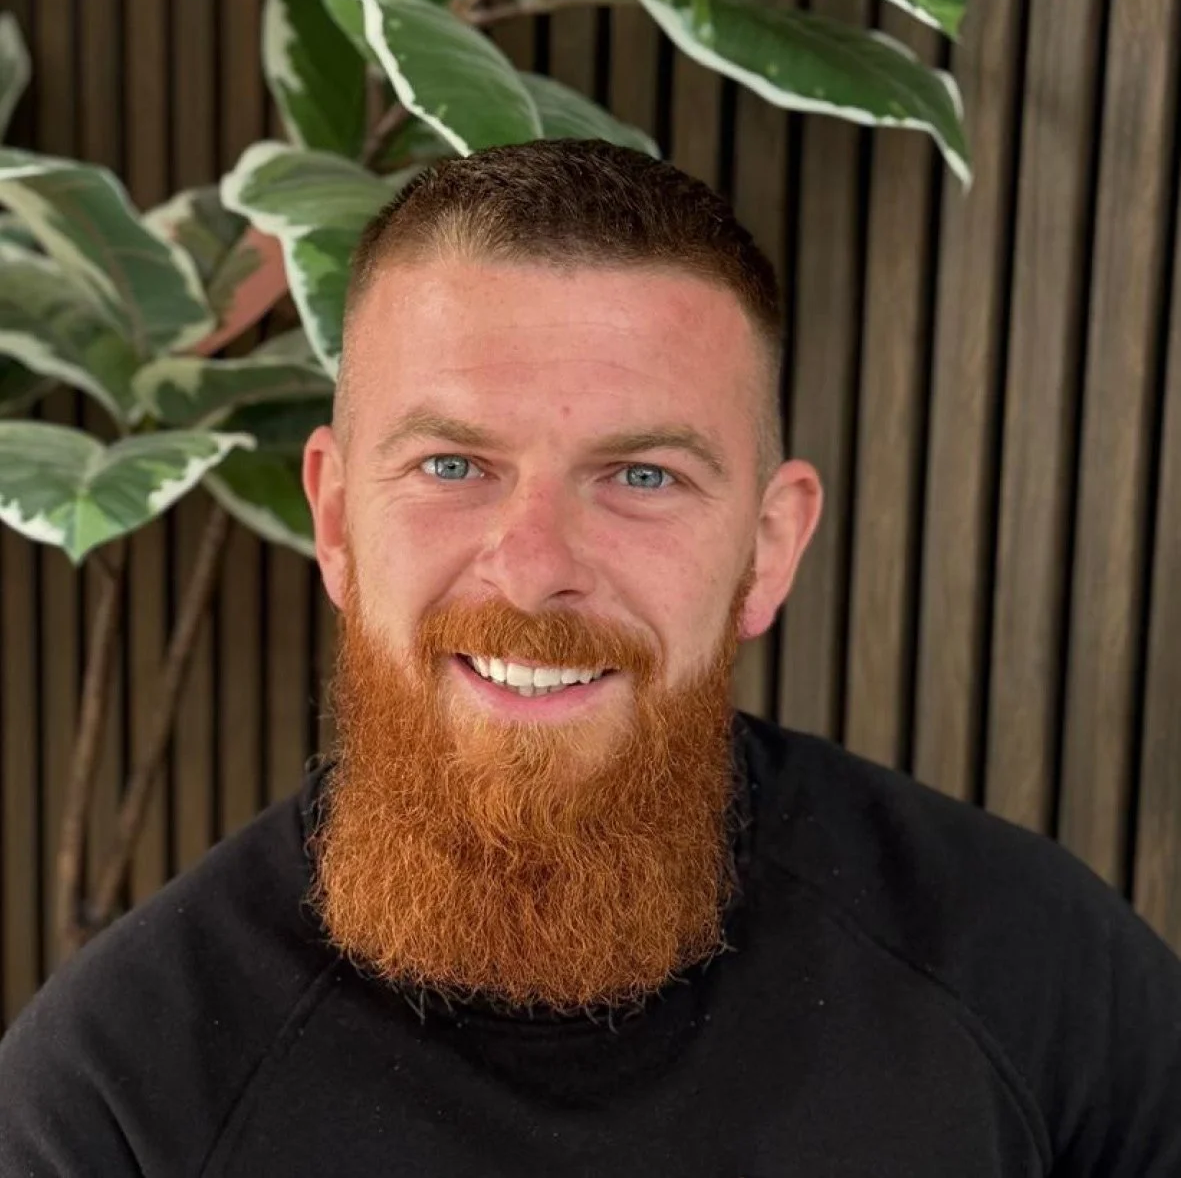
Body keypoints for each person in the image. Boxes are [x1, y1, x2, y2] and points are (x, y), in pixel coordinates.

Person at [1, 139, 1178, 1177]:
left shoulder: (1034, 973)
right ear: (338, 520)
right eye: (452, 465)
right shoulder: (117, 1088)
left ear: (768, 546)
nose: (533, 570)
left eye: (641, 475)